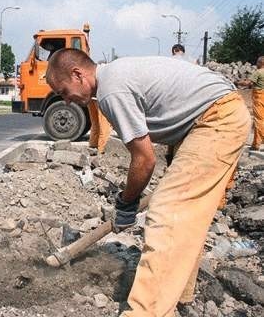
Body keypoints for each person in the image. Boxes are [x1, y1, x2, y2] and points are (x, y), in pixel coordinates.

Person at [45, 48, 250, 316]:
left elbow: (144, 160)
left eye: (63, 91)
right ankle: (180, 296)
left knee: (168, 212)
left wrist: (126, 202)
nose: (67, 101)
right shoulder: (115, 78)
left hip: (216, 119)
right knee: (188, 215)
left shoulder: (111, 91)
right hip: (205, 120)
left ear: (77, 74)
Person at [235, 56, 264, 151]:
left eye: (257, 62)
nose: (256, 64)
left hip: (259, 97)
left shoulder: (258, 72)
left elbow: (248, 83)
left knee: (259, 120)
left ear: (260, 63)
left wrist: (238, 83)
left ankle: (256, 144)